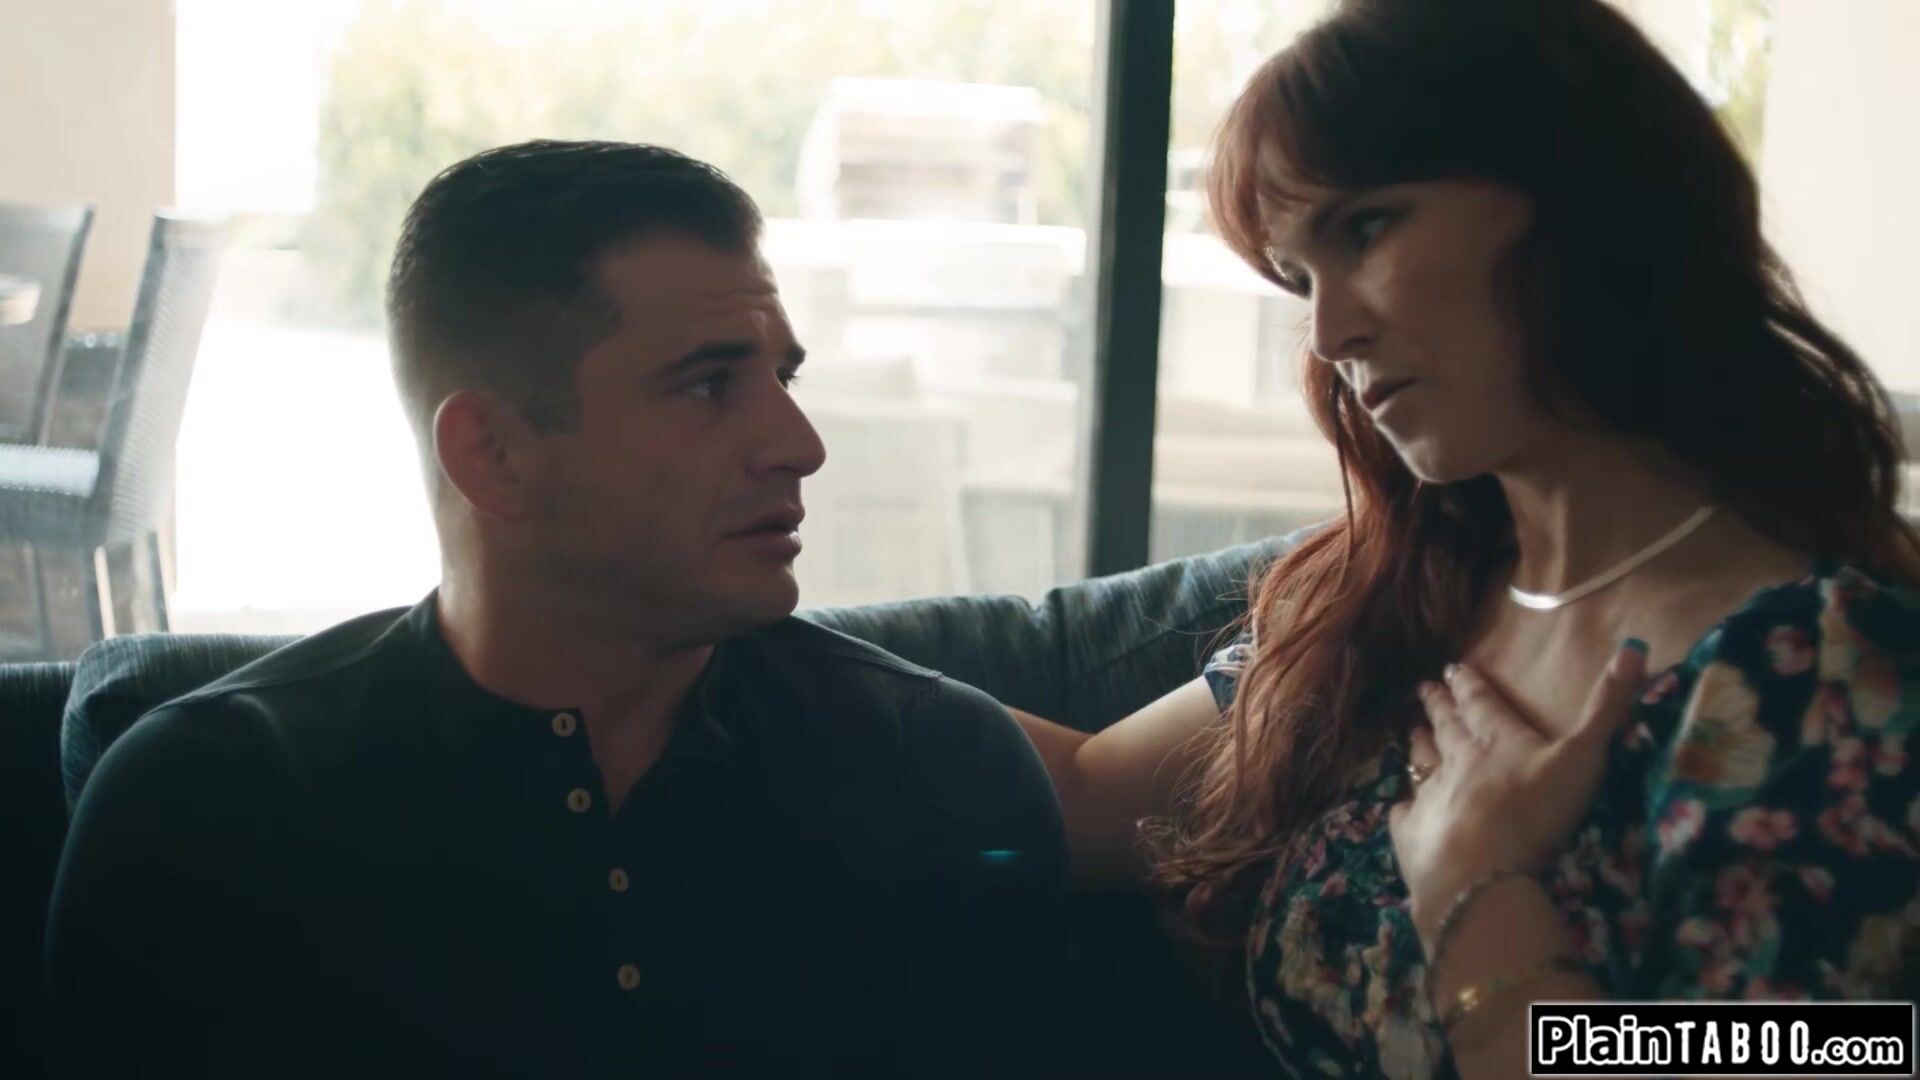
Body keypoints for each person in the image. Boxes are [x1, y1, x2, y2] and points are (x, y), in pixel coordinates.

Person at [1011, 1, 1920, 1076]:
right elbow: (1080, 796)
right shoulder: (1392, 597)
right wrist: (812, 652)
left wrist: (1477, 891)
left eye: (1366, 229)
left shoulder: (1832, 679)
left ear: (1585, 193)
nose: (1329, 333)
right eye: (1300, 278)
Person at [45, 140, 1067, 1077]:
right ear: (491, 453)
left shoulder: (940, 773)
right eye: (709, 387)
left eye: (783, 377)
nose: (800, 446)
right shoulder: (208, 810)